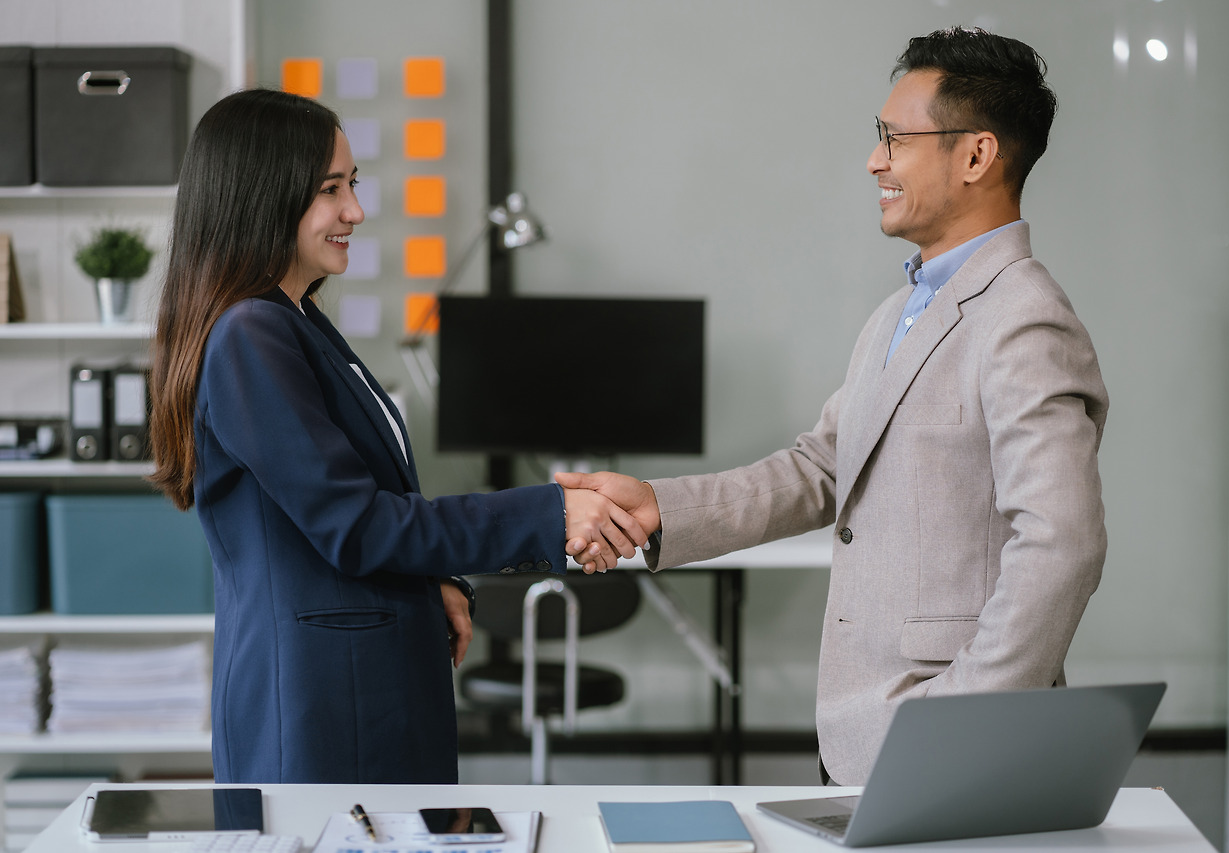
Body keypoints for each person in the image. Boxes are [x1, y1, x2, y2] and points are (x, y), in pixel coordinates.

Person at [560, 27, 1108, 786]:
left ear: (976, 156)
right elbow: (822, 466)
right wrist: (659, 507)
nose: (875, 161)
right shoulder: (899, 313)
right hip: (863, 733)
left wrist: (962, 719)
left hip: (950, 744)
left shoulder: (1023, 318)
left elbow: (1062, 542)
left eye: (895, 139)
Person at [148, 88, 645, 784]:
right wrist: (550, 513)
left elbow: (344, 511)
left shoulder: (295, 321)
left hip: (352, 691)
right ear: (263, 194)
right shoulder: (251, 334)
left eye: (352, 185)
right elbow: (354, 524)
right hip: (320, 706)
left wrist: (433, 576)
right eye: (331, 189)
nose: (354, 210)